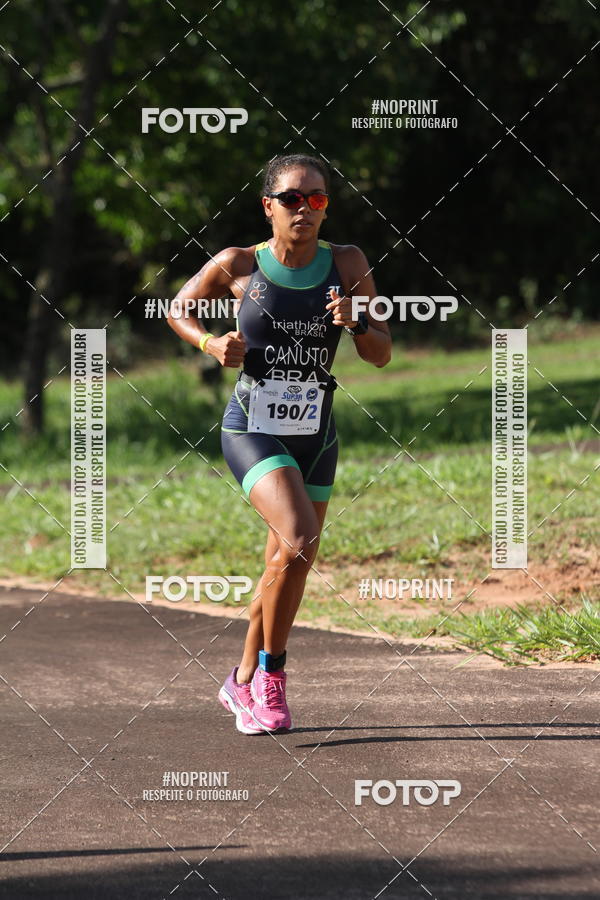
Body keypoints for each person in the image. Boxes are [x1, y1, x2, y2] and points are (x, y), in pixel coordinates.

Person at [168, 154, 391, 734]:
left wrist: (358, 323)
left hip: (317, 433)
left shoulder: (348, 263)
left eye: (317, 198)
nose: (305, 209)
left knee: (287, 560)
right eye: (292, 198)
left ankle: (238, 682)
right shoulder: (239, 263)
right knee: (296, 537)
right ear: (268, 206)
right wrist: (211, 343)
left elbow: (382, 352)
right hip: (253, 427)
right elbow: (178, 310)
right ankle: (272, 675)